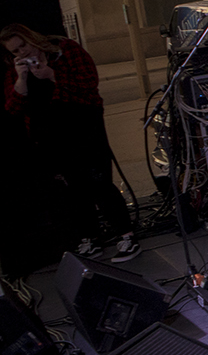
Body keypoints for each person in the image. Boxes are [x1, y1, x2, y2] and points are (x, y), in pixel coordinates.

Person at [2, 23, 137, 261]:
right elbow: (13, 109)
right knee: (72, 189)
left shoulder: (64, 50)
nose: (23, 52)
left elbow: (89, 85)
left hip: (83, 126)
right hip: (50, 135)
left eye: (23, 45)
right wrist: (21, 81)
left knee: (99, 182)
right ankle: (89, 237)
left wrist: (52, 76)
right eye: (15, 51)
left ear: (31, 37)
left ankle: (125, 235)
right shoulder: (16, 71)